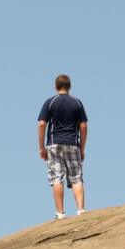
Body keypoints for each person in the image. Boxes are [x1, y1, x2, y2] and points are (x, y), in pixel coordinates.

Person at [38, 74, 88, 219]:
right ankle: (81, 209)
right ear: (69, 86)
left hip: (54, 143)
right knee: (76, 177)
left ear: (56, 86)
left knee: (56, 177)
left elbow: (42, 124)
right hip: (72, 143)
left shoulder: (50, 102)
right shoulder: (77, 103)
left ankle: (60, 213)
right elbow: (83, 126)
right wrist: (82, 148)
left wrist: (41, 148)